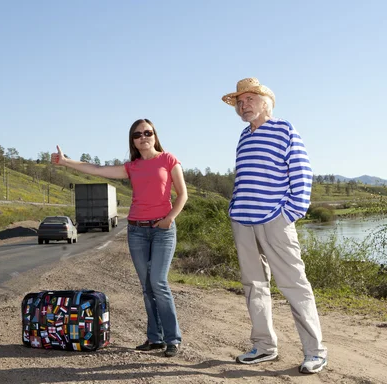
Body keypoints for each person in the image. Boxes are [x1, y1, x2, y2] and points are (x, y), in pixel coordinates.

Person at [51, 118, 188, 357]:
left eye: (147, 132)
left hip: (163, 230)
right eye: (137, 135)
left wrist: (169, 218)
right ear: (132, 140)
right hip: (136, 230)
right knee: (147, 287)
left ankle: (172, 339)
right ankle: (154, 338)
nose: (143, 137)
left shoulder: (168, 159)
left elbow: (182, 195)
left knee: (158, 282)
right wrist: (65, 162)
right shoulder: (132, 167)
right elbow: (96, 169)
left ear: (155, 135)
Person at [222, 78, 328, 374]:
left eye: (249, 100)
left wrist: (289, 213)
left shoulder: (284, 129)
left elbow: (302, 172)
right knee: (253, 285)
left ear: (266, 101)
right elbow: (244, 178)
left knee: (294, 285)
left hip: (274, 221)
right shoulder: (244, 136)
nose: (243, 106)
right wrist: (233, 209)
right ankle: (264, 346)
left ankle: (315, 351)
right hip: (243, 221)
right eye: (239, 103)